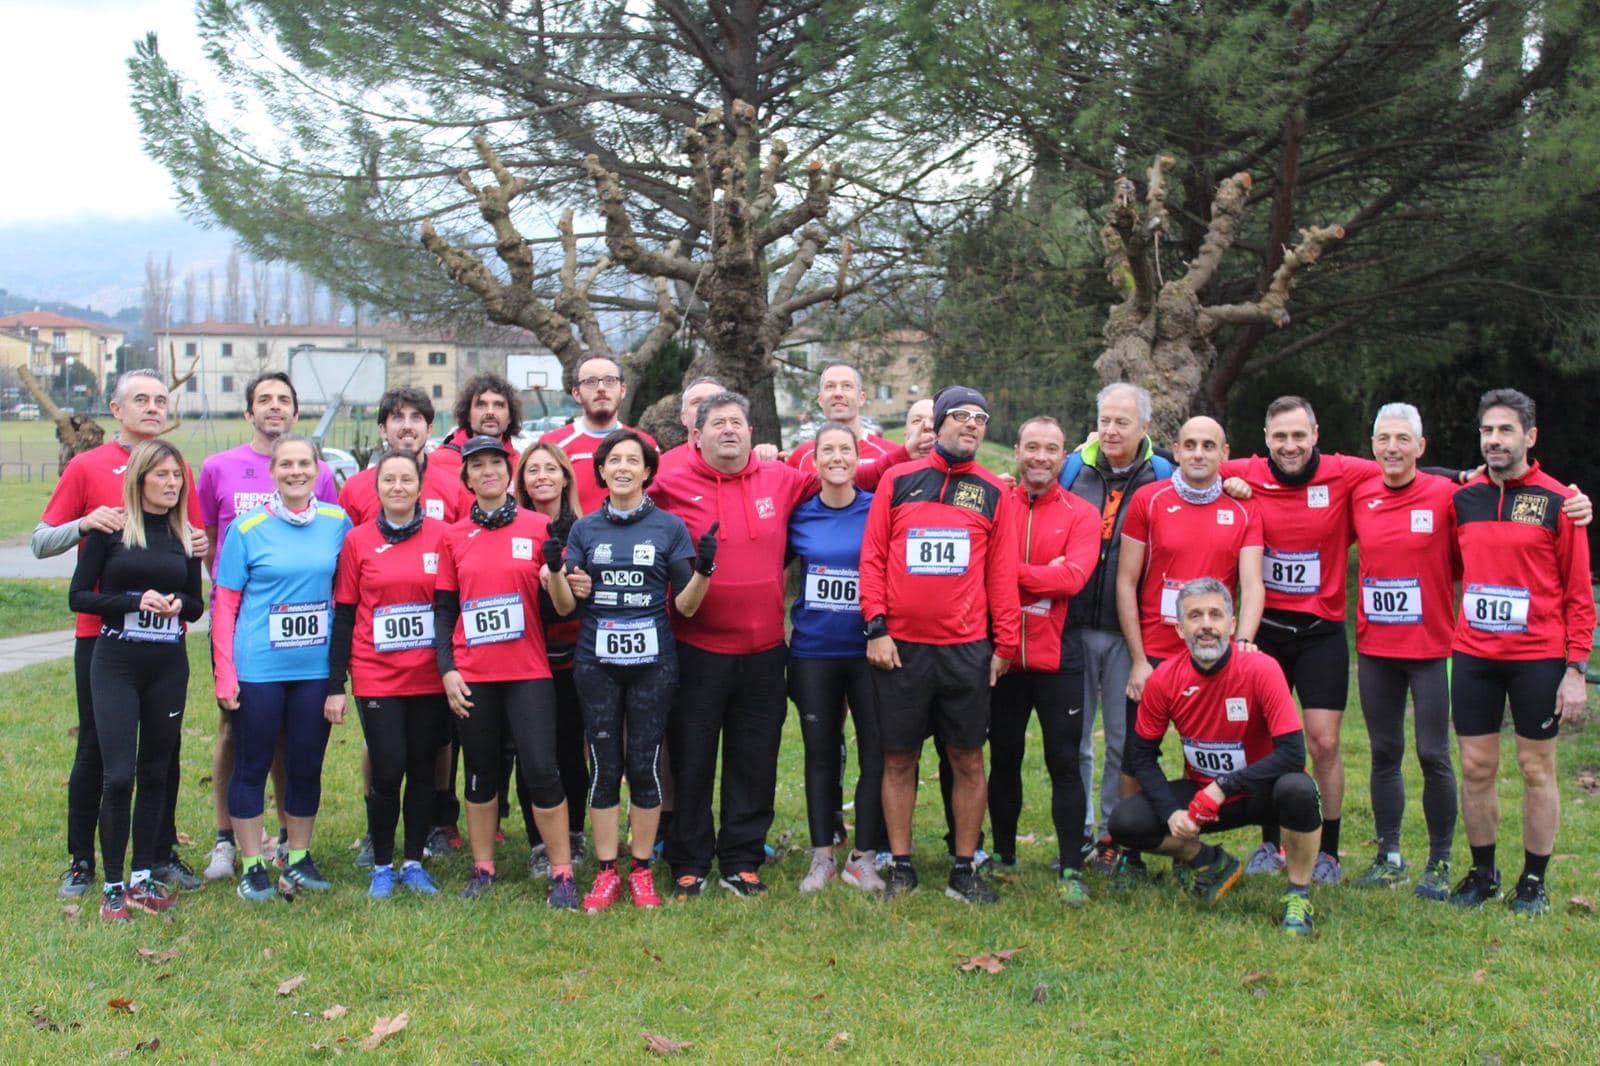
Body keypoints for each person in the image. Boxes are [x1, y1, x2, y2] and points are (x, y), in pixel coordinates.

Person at [33, 368, 207, 900]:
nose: (153, 407)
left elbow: (191, 539)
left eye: (160, 399)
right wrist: (87, 524)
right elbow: (42, 541)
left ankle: (157, 855)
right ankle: (83, 861)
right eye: (141, 400)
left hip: (163, 642)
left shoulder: (177, 468)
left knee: (163, 751)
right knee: (99, 750)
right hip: (102, 635)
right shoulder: (88, 466)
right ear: (116, 408)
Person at [650, 391, 817, 899]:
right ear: (695, 436)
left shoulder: (782, 480)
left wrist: (915, 451)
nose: (728, 430)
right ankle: (689, 860)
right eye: (717, 422)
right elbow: (618, 496)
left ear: (751, 432)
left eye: (737, 422)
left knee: (755, 759)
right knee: (692, 760)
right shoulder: (669, 482)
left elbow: (844, 476)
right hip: (696, 651)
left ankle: (742, 860)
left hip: (766, 651)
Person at [860, 385, 1020, 904]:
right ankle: (901, 866)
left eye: (981, 418)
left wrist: (1005, 644)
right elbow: (874, 557)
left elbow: (1002, 576)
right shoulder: (898, 480)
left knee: (969, 759)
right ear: (938, 424)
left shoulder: (995, 490)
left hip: (966, 649)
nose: (972, 425)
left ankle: (964, 870)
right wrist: (876, 626)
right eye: (962, 416)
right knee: (898, 759)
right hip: (901, 647)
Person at [547, 430, 713, 911]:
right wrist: (557, 570)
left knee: (644, 765)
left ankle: (640, 870)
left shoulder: (669, 527)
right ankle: (605, 873)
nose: (622, 467)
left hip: (653, 663)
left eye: (632, 461)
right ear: (600, 471)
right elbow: (563, 607)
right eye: (613, 460)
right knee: (603, 768)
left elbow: (684, 608)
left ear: (646, 472)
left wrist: (703, 571)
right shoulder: (584, 529)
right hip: (595, 662)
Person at [1448, 389, 1593, 914]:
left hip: (1537, 657)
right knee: (1477, 765)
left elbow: (1579, 593)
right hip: (1474, 656)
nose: (1495, 440)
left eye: (1506, 430)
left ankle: (1533, 881)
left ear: (1529, 437)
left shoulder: (1560, 502)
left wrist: (1576, 668)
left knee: (1536, 769)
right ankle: (1483, 872)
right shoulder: (1462, 499)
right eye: (1487, 431)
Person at [1111, 578, 1322, 936]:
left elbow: (1292, 752)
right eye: (1195, 616)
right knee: (1125, 823)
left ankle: (1298, 894)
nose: (1206, 624)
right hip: (1203, 799)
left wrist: (1222, 786)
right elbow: (1142, 756)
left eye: (1215, 614)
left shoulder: (1262, 669)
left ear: (1232, 624)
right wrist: (1171, 812)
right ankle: (1208, 861)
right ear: (1179, 628)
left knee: (1299, 791)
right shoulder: (1165, 679)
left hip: (1261, 794)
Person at [197, 371, 339, 882]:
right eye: (287, 465)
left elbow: (344, 598)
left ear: (318, 472)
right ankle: (252, 859)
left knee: (304, 763)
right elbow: (226, 604)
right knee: (251, 760)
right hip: (258, 664)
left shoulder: (337, 524)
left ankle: (298, 855)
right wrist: (224, 673)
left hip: (313, 667)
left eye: (305, 464)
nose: (296, 472)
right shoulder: (245, 527)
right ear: (272, 472)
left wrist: (340, 677)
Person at [1111, 415, 1264, 885]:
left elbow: (1252, 584)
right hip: (1156, 650)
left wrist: (1242, 644)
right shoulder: (1149, 500)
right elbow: (1127, 581)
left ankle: (1187, 847)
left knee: (1197, 752)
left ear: (1224, 452)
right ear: (1175, 450)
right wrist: (1138, 660)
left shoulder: (1243, 509)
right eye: (1190, 445)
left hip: (1214, 654)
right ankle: (1127, 856)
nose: (1199, 453)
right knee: (1136, 752)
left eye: (1209, 446)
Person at [432, 435, 577, 906]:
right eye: (478, 466)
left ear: (507, 472)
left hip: (528, 673)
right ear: (468, 478)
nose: (488, 471)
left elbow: (562, 606)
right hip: (473, 675)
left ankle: (561, 872)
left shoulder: (538, 526)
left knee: (542, 769)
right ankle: (483, 868)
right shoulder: (452, 535)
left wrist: (554, 573)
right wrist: (447, 670)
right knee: (479, 773)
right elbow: (444, 611)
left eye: (496, 463)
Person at [69, 439, 204, 921]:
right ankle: (111, 887)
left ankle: (143, 878)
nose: (172, 484)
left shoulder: (184, 534)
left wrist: (176, 607)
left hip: (167, 662)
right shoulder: (112, 530)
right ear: (141, 478)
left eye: (177, 477)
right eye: (162, 475)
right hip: (116, 662)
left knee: (155, 772)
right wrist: (133, 601)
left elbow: (196, 602)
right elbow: (79, 596)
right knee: (120, 774)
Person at [1055, 383, 1175, 870]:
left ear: (1145, 428)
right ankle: (1080, 831)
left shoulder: (1162, 473)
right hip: (1074, 625)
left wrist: (1235, 485)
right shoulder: (1072, 467)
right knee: (1077, 737)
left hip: (1133, 632)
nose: (1111, 430)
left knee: (1125, 739)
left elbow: (1207, 482)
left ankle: (1114, 834)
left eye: (1122, 422)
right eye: (1105, 419)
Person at [325, 450, 450, 898]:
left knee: (422, 768)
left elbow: (449, 607)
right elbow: (343, 614)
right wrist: (335, 683)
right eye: (389, 480)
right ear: (376, 488)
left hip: (428, 675)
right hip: (376, 673)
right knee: (388, 767)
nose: (398, 487)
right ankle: (381, 863)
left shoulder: (443, 537)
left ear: (420, 486)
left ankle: (413, 861)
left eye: (406, 479)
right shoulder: (357, 541)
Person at [1347, 403, 1460, 899]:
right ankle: (1389, 855)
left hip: (1431, 646)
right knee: (1384, 751)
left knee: (1434, 753)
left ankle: (1439, 861)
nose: (1392, 447)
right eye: (1383, 439)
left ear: (1420, 447)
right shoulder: (1361, 493)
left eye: (1402, 439)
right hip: (1375, 648)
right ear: (1372, 447)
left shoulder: (1446, 495)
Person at [987, 416, 1099, 903]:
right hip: (1003, 655)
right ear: (1016, 450)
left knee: (1064, 761)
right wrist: (1040, 574)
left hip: (1061, 656)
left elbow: (1073, 580)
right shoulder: (995, 503)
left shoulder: (1082, 513)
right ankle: (1004, 854)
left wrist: (1011, 574)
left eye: (1051, 449)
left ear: (1063, 457)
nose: (1040, 457)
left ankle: (1072, 866)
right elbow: (981, 567)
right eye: (1032, 447)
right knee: (1004, 757)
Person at [785, 424, 889, 893]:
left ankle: (863, 856)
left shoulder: (876, 510)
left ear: (858, 456)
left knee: (875, 751)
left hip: (867, 651)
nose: (837, 458)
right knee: (820, 753)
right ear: (814, 460)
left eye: (845, 450)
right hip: (814, 651)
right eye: (827, 450)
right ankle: (822, 855)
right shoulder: (800, 517)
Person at [514, 441, 592, 875]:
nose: (541, 476)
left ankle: (575, 833)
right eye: (532, 470)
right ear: (522, 482)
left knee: (568, 750)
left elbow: (590, 594)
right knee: (532, 754)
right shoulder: (511, 528)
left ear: (565, 477)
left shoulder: (585, 528)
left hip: (573, 659)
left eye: (550, 469)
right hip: (523, 659)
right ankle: (539, 842)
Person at [539, 355, 658, 513]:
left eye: (610, 380)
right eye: (591, 381)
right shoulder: (552, 445)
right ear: (576, 393)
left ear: (622, 390)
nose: (601, 388)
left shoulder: (645, 444)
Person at [338, 386, 464, 525]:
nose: (407, 426)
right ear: (383, 430)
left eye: (416, 418)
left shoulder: (455, 488)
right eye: (398, 418)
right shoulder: (354, 489)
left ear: (429, 429)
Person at [786, 363, 908, 486]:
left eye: (847, 386)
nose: (838, 393)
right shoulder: (801, 457)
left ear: (861, 398)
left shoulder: (890, 455)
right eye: (830, 386)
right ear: (820, 400)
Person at [427, 373, 522, 487]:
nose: (490, 412)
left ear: (510, 416)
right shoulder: (436, 463)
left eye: (499, 405)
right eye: (481, 405)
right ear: (468, 414)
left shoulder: (522, 467)